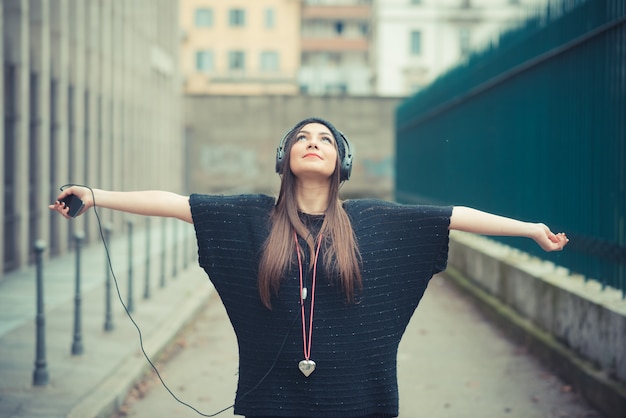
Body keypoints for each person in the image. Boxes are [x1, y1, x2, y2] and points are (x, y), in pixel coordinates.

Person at [50, 117, 568, 418]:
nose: (313, 142)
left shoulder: (375, 221)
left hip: (358, 402)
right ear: (285, 158)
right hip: (270, 400)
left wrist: (529, 229)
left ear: (341, 161)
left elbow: (454, 216)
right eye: (301, 138)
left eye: (324, 138)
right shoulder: (249, 216)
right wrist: (95, 196)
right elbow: (175, 201)